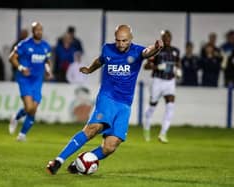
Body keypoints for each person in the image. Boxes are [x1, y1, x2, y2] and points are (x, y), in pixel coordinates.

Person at [46, 24, 163, 175]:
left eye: (124, 41)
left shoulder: (137, 51)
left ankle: (81, 163)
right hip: (107, 98)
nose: (120, 44)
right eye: (118, 40)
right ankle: (58, 161)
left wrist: (157, 47)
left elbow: (148, 52)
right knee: (93, 129)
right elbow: (100, 61)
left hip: (125, 105)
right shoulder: (108, 49)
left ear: (131, 39)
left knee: (110, 146)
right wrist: (89, 69)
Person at [8, 22, 54, 141]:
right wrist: (21, 68)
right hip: (25, 79)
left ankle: (22, 135)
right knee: (29, 108)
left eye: (40, 30)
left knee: (33, 109)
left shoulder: (46, 46)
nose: (39, 32)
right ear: (32, 31)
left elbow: (47, 60)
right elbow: (11, 57)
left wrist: (48, 70)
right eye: (36, 30)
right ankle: (16, 118)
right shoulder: (24, 44)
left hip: (38, 80)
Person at [143, 30, 181, 143]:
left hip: (170, 81)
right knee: (152, 106)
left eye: (169, 37)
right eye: (165, 37)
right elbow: (146, 66)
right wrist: (157, 67)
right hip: (157, 81)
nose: (167, 39)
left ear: (171, 38)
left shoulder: (176, 51)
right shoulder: (156, 51)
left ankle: (163, 134)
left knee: (170, 106)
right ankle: (146, 129)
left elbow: (178, 64)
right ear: (162, 39)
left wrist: (178, 71)